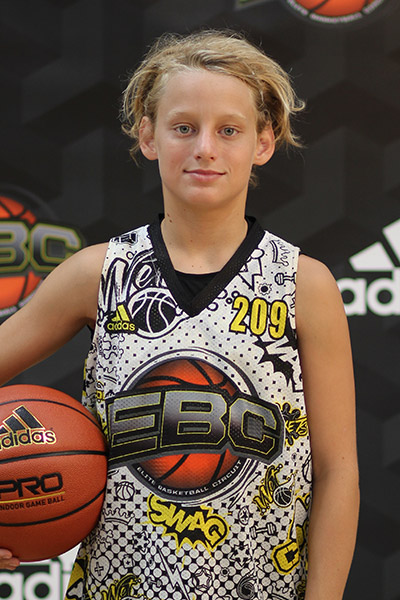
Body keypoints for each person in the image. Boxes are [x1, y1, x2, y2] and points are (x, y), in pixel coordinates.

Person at [0, 29, 359, 600]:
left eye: (229, 130)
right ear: (149, 136)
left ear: (264, 142)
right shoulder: (98, 273)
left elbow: (338, 473)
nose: (205, 148)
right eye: (184, 127)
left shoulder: (303, 284)